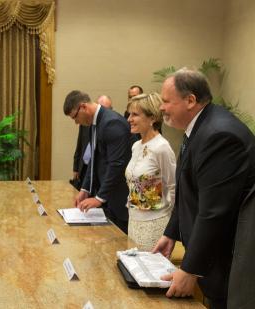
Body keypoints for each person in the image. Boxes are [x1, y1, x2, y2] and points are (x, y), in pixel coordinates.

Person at [152, 69, 255, 308]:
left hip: (229, 261)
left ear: (190, 100)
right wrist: (171, 233)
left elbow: (214, 211)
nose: (162, 108)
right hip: (213, 258)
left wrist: (190, 269)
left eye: (166, 101)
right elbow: (189, 191)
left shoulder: (219, 135)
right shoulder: (199, 127)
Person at [64, 90, 131, 234]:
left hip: (119, 199)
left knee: (119, 244)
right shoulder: (94, 123)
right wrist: (85, 189)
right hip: (108, 196)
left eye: (75, 117)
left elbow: (116, 164)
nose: (76, 122)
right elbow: (94, 159)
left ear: (83, 107)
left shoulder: (111, 123)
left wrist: (100, 198)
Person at [125, 93, 176, 251]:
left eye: (135, 115)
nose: (129, 119)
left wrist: (170, 231)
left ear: (153, 118)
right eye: (129, 114)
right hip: (133, 220)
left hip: (154, 224)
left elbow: (173, 187)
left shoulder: (162, 147)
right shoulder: (136, 146)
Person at [71, 95, 113, 190]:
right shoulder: (86, 123)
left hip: (99, 170)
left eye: (107, 109)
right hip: (84, 166)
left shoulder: (111, 125)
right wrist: (76, 168)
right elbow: (79, 146)